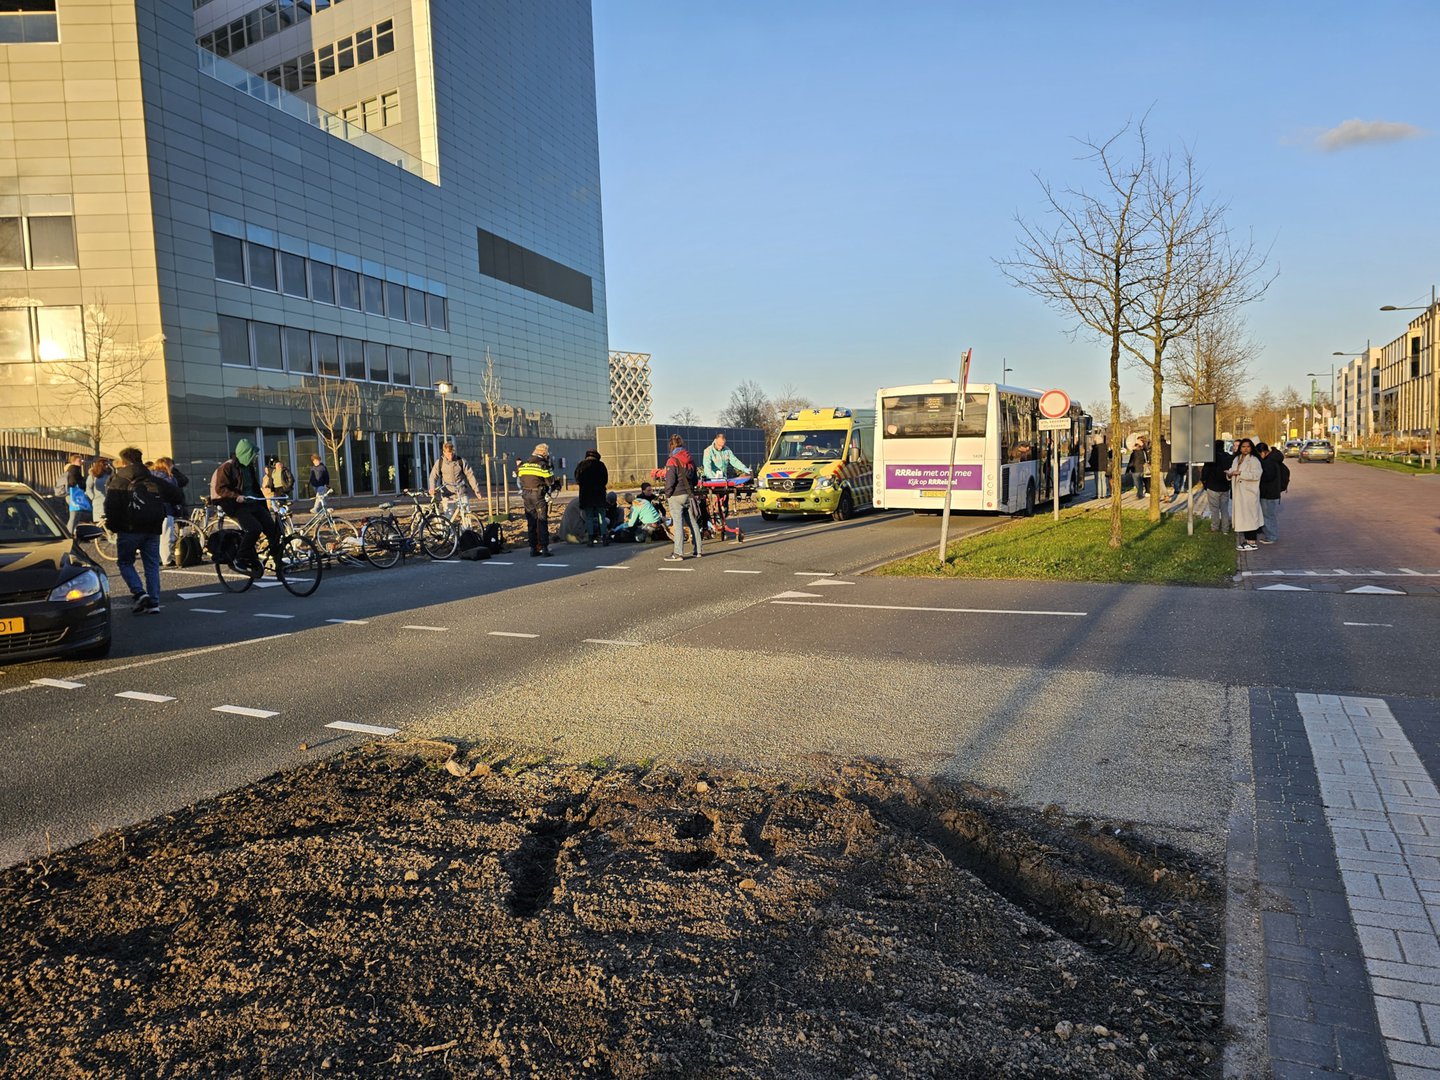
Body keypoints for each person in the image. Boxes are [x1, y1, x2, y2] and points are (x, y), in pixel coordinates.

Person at [103, 447, 179, 614]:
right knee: (151, 565)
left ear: (123, 462)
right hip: (153, 527)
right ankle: (154, 602)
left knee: (125, 562)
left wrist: (113, 526)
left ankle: (139, 592)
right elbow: (176, 494)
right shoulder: (151, 478)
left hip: (129, 528)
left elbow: (111, 506)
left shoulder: (119, 481)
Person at [212, 438, 281, 576]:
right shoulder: (228, 467)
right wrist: (236, 496)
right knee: (254, 528)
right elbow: (220, 488)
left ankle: (278, 562)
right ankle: (240, 558)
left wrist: (264, 501)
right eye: (253, 455)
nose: (255, 458)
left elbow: (254, 487)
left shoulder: (249, 467)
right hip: (235, 504)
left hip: (252, 502)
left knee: (273, 529)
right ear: (245, 454)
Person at [663, 433, 702, 562]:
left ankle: (678, 553)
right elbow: (695, 480)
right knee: (693, 523)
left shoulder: (672, 460)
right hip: (689, 495)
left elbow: (670, 481)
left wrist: (667, 494)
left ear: (671, 445)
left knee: (678, 524)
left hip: (676, 495)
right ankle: (698, 550)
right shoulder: (690, 460)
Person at [517, 443, 555, 557]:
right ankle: (544, 548)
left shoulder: (524, 465)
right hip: (538, 495)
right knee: (542, 521)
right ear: (544, 453)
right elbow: (550, 481)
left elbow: (520, 477)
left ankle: (533, 548)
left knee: (531, 522)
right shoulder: (542, 465)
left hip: (526, 495)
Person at [1226, 438, 1263, 551]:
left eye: (1248, 447)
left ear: (1251, 448)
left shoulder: (1254, 460)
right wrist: (1229, 474)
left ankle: (1252, 542)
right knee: (1244, 516)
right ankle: (1247, 540)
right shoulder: (1237, 459)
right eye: (1243, 447)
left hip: (1248, 492)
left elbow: (1256, 475)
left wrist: (1240, 473)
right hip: (1239, 492)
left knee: (1250, 517)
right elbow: (1232, 470)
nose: (1245, 449)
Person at [428, 442, 482, 517]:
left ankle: (466, 524)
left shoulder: (461, 461)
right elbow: (433, 476)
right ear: (444, 452)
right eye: (448, 454)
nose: (450, 456)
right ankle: (448, 524)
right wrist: (432, 488)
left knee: (466, 515)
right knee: (448, 516)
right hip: (448, 494)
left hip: (461, 492)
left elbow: (470, 475)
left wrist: (476, 490)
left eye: (452, 454)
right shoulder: (440, 462)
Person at [151, 460, 186, 567]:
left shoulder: (149, 477)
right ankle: (167, 560)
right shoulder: (168, 479)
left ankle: (155, 559)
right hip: (166, 509)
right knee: (166, 536)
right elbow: (175, 494)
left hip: (150, 510)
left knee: (154, 538)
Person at [572, 449, 609, 546]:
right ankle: (604, 537)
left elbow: (577, 479)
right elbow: (605, 480)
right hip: (599, 495)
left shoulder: (581, 465)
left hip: (586, 495)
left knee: (589, 517)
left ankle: (590, 539)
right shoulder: (601, 465)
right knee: (602, 516)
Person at [1199, 440, 1233, 533]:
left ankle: (1215, 527)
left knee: (1214, 509)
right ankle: (1225, 528)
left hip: (1213, 486)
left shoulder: (1211, 458)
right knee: (1224, 509)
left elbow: (1205, 472)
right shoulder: (1228, 457)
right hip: (1225, 487)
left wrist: (1204, 483)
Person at [1257, 443, 1288, 545]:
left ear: (1263, 452)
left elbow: (1267, 477)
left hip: (1268, 493)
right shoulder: (1275, 458)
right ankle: (1270, 534)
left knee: (1268, 516)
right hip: (1274, 492)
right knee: (1270, 515)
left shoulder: (1268, 462)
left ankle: (1271, 536)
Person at [86, 457, 112, 533]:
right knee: (99, 519)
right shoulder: (93, 475)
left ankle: (108, 533)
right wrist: (92, 497)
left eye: (108, 464)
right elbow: (88, 488)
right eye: (105, 464)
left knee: (108, 518)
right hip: (98, 500)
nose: (107, 466)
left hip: (109, 499)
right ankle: (98, 534)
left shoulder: (109, 475)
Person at [62, 453, 87, 531]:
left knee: (76, 516)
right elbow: (72, 482)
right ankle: (69, 533)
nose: (82, 462)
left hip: (72, 495)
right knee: (74, 516)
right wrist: (82, 484)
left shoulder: (74, 469)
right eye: (79, 460)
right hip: (73, 495)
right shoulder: (73, 469)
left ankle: (71, 531)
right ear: (73, 461)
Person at [1127, 436, 1150, 501]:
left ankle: (1140, 494)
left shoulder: (1134, 453)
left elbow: (1131, 462)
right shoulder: (1143, 452)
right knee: (1140, 482)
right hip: (1142, 469)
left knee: (1137, 483)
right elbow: (1146, 459)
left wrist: (1128, 469)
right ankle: (1140, 493)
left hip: (1135, 469)